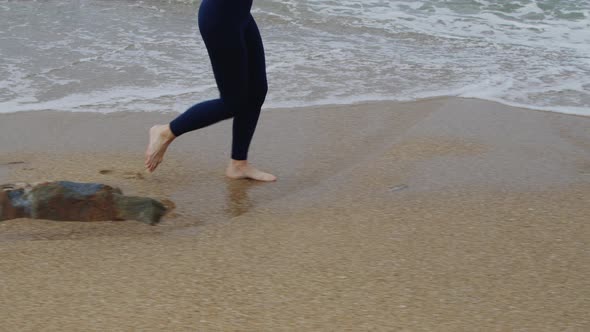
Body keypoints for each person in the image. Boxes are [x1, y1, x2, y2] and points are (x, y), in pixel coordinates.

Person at [145, 0, 276, 182]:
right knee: (233, 102)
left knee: (256, 91)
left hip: (239, 15)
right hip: (221, 19)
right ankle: (166, 131)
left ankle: (238, 164)